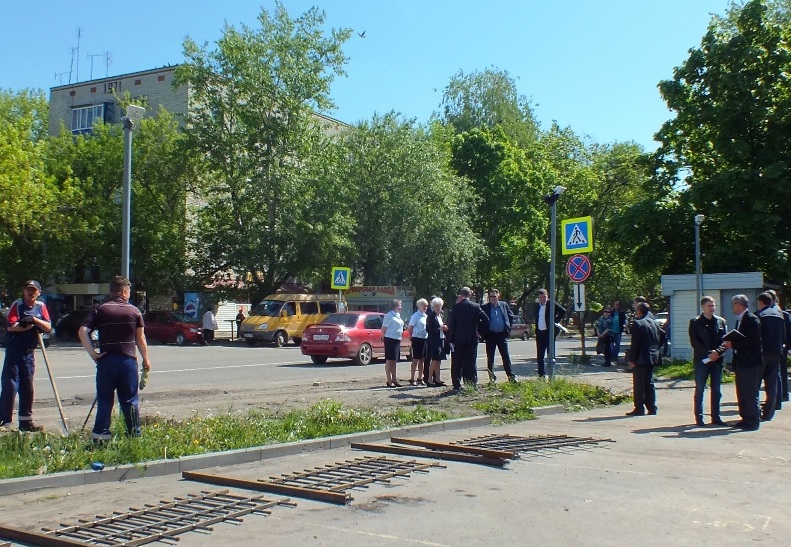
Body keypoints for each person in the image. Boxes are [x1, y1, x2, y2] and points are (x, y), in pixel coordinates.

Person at [78, 276, 151, 441]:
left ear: (111, 291)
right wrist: (146, 359)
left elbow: (83, 332)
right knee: (130, 401)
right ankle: (134, 436)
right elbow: (140, 338)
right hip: (127, 362)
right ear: (125, 291)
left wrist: (94, 354)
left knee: (105, 400)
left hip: (106, 361)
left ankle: (100, 436)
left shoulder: (100, 310)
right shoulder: (134, 311)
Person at [0, 280, 52, 432]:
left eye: (34, 290)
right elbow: (11, 326)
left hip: (29, 353)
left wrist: (35, 321)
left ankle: (26, 421)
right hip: (14, 352)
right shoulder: (18, 305)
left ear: (39, 292)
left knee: (27, 388)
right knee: (10, 386)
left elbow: (48, 327)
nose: (31, 292)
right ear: (24, 291)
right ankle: (5, 421)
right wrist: (26, 326)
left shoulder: (41, 307)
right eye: (28, 289)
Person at [722, 294, 762, 431]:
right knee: (742, 391)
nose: (732, 307)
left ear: (739, 305)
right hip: (741, 361)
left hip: (750, 362)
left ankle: (753, 421)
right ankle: (745, 418)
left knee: (750, 392)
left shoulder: (751, 319)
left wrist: (733, 344)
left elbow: (752, 342)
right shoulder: (740, 319)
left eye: (733, 304)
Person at [688, 296, 727, 426]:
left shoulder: (721, 322)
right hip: (702, 360)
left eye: (713, 306)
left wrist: (718, 352)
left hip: (717, 360)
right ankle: (699, 418)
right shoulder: (695, 322)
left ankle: (716, 417)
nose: (712, 308)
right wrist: (708, 353)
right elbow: (695, 342)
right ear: (703, 307)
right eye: (709, 306)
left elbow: (725, 341)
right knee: (700, 389)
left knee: (716, 389)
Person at [448, 287, 489, 389]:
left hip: (458, 339)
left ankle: (456, 384)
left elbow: (452, 324)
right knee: (471, 361)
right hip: (471, 338)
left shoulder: (455, 308)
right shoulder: (475, 306)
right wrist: (479, 331)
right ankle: (471, 383)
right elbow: (486, 319)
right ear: (470, 295)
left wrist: (450, 339)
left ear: (461, 295)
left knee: (457, 362)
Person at [626, 302, 661, 416]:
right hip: (652, 357)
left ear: (639, 311)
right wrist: (656, 348)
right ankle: (652, 407)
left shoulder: (638, 323)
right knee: (649, 383)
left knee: (639, 384)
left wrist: (632, 359)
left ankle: (639, 408)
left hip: (640, 358)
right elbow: (663, 336)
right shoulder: (654, 323)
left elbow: (635, 343)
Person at [756, 292, 783, 422]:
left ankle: (755, 411)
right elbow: (782, 335)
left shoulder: (759, 315)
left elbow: (757, 336)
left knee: (755, 383)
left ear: (761, 302)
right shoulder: (779, 315)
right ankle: (768, 413)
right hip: (776, 353)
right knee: (771, 384)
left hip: (762, 354)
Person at [481, 289, 516, 382]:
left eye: (494, 296)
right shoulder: (485, 307)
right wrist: (482, 333)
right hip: (490, 335)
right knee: (490, 357)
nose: (492, 298)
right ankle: (491, 378)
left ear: (498, 297)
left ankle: (511, 376)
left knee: (505, 356)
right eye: (490, 296)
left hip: (502, 335)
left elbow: (510, 316)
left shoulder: (503, 305)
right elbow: (479, 321)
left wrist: (508, 328)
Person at [533, 289, 566, 378]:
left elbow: (563, 311)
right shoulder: (538, 306)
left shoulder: (551, 304)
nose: (543, 299)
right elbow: (537, 318)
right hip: (540, 332)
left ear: (547, 296)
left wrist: (555, 321)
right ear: (538, 298)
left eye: (545, 297)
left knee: (550, 354)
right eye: (541, 297)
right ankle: (541, 375)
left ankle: (551, 374)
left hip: (549, 333)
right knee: (540, 355)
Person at [425, 297, 448, 386]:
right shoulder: (431, 316)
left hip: (441, 339)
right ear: (433, 307)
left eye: (439, 306)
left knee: (439, 360)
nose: (438, 308)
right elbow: (428, 329)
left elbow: (442, 326)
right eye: (436, 306)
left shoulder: (441, 315)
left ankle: (437, 379)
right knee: (434, 360)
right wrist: (439, 328)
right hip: (434, 341)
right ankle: (429, 379)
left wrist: (445, 328)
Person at [381, 299, 404, 388]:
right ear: (395, 306)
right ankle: (389, 380)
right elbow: (383, 328)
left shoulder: (397, 315)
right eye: (399, 305)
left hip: (397, 339)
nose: (401, 307)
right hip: (389, 339)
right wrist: (383, 338)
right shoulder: (389, 315)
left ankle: (394, 379)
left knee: (394, 360)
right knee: (389, 360)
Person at [406, 299, 429, 386]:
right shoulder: (415, 316)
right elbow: (410, 327)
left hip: (424, 339)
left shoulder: (425, 316)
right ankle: (412, 378)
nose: (425, 308)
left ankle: (420, 378)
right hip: (417, 339)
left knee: (422, 360)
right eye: (424, 306)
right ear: (419, 306)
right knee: (415, 359)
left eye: (426, 306)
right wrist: (411, 336)